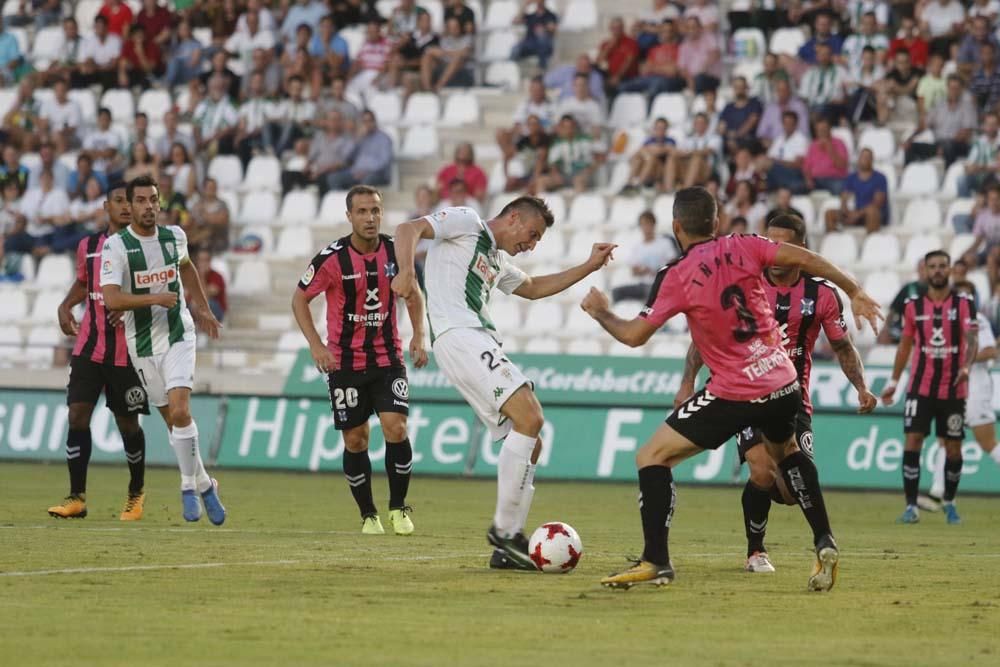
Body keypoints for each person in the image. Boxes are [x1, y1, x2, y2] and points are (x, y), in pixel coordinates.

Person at [579, 186, 882, 589]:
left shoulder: (676, 275)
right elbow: (806, 259)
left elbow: (635, 336)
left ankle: (656, 560)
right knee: (787, 453)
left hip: (736, 390)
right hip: (783, 380)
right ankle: (824, 540)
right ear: (717, 222)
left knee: (651, 458)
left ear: (675, 227)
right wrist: (855, 289)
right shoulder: (747, 244)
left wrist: (602, 313)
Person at [391, 197, 615, 569]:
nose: (532, 244)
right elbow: (407, 228)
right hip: (461, 335)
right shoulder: (466, 222)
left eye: (538, 240)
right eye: (532, 234)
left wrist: (590, 266)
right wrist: (407, 272)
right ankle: (505, 531)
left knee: (532, 441)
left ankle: (505, 545)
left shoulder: (495, 260)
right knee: (531, 416)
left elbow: (533, 287)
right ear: (513, 218)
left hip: (474, 341)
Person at [677, 214, 876, 573]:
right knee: (763, 472)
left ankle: (819, 540)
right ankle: (756, 551)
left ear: (799, 248)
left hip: (791, 399)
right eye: (769, 242)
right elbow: (703, 336)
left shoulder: (823, 295)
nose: (773, 250)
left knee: (789, 491)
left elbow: (844, 347)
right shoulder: (744, 283)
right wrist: (687, 381)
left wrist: (861, 387)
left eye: (781, 243)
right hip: (744, 392)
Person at [291, 185, 428, 534]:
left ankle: (398, 508)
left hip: (387, 358)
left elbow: (413, 294)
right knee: (356, 439)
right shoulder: (331, 259)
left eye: (376, 211)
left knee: (396, 427)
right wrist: (316, 345)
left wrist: (419, 335)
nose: (370, 218)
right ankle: (369, 515)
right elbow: (299, 300)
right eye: (363, 212)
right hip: (345, 364)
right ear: (349, 216)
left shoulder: (397, 252)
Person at [100, 176, 226, 524]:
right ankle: (205, 483)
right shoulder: (116, 246)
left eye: (154, 200)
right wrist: (155, 297)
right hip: (140, 343)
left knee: (181, 409)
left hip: (177, 334)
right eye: (140, 200)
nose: (149, 207)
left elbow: (187, 269)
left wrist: (201, 308)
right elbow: (111, 298)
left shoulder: (175, 236)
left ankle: (187, 485)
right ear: (128, 206)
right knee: (174, 421)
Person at [47, 183, 151, 521]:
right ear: (106, 206)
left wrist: (132, 307)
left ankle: (136, 495)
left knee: (128, 425)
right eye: (118, 201)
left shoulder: (144, 249)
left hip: (127, 352)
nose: (124, 207)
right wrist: (65, 305)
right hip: (89, 348)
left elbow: (158, 288)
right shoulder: (88, 247)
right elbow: (84, 282)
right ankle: (76, 497)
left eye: (129, 202)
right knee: (77, 415)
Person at [880, 251, 977, 525]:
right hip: (920, 387)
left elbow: (972, 339)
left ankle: (949, 501)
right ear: (925, 270)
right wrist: (894, 381)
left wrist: (967, 366)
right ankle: (911, 506)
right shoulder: (913, 306)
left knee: (954, 448)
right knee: (913, 442)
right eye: (932, 266)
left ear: (949, 270)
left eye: (942, 266)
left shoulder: (964, 304)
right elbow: (905, 345)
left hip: (953, 388)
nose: (937, 270)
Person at [923, 280, 1000, 511]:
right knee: (946, 439)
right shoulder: (947, 321)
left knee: (986, 442)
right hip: (954, 387)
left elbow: (989, 351)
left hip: (975, 386)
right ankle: (938, 493)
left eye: (968, 297)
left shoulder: (978, 321)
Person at [611, 210, 677, 302]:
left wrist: (658, 271)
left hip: (659, 284)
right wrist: (642, 270)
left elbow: (672, 263)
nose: (646, 227)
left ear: (654, 225)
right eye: (643, 224)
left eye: (648, 224)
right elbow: (634, 271)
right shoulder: (638, 247)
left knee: (651, 292)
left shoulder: (664, 243)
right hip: (642, 284)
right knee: (616, 292)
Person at [825, 147, 889, 233]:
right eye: (862, 157)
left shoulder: (880, 178)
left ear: (872, 160)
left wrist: (858, 214)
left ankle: (870, 243)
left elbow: (877, 203)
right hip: (855, 213)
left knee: (872, 212)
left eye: (867, 157)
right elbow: (844, 197)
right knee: (829, 214)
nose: (864, 160)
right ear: (858, 159)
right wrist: (845, 210)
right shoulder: (851, 177)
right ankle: (837, 241)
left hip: (869, 215)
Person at [510, 0, 558, 70]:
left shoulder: (550, 15)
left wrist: (544, 29)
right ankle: (511, 70)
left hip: (544, 45)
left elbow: (553, 29)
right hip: (530, 43)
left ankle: (542, 69)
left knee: (542, 38)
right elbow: (515, 21)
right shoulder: (531, 16)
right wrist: (525, 5)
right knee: (515, 48)